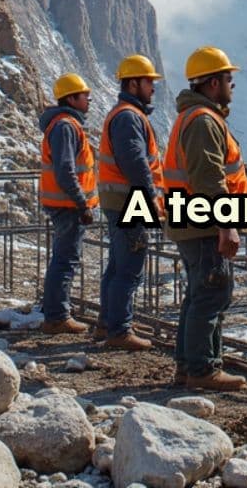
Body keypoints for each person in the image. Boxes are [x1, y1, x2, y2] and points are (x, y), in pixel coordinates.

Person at [163, 45, 247, 392]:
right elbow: (209, 180)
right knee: (213, 293)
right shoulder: (203, 121)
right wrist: (226, 225)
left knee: (200, 294)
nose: (232, 85)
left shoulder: (195, 117)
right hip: (204, 224)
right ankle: (203, 368)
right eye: (229, 79)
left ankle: (190, 366)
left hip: (192, 222)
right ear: (214, 83)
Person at [97, 54, 164, 350]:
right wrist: (150, 198)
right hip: (130, 200)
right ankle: (119, 330)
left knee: (117, 264)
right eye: (149, 81)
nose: (153, 87)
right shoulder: (128, 117)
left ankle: (108, 322)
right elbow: (135, 162)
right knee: (129, 267)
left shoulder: (124, 113)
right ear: (134, 83)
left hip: (119, 198)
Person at [39, 73, 98, 333]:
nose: (89, 100)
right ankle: (56, 316)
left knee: (63, 258)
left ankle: (56, 313)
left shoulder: (65, 124)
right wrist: (82, 203)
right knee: (65, 260)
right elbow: (66, 170)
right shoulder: (65, 126)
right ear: (72, 99)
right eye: (85, 96)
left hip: (64, 205)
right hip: (68, 207)